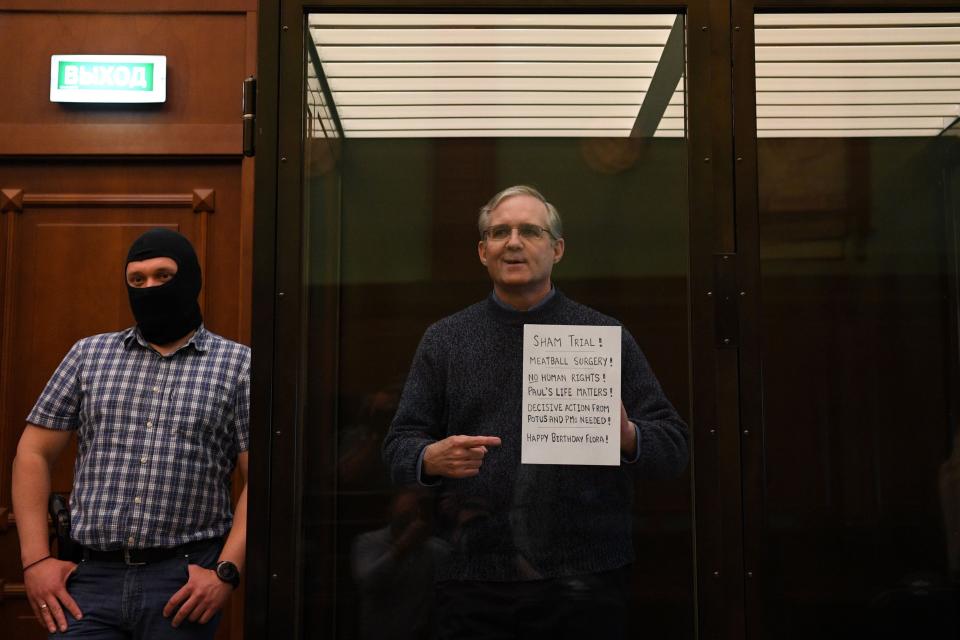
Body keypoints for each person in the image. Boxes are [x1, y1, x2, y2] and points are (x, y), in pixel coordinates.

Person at [382, 185, 689, 639]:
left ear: (557, 248)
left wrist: (627, 436)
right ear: (482, 250)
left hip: (584, 578)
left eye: (530, 231)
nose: (513, 242)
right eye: (499, 232)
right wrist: (430, 459)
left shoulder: (602, 335)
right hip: (472, 576)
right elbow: (397, 447)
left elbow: (674, 447)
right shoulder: (444, 339)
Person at [12, 229, 250, 639]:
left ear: (191, 279)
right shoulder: (89, 355)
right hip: (88, 581)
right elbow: (32, 452)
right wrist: (35, 562)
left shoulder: (240, 365)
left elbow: (262, 479)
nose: (149, 288)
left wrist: (225, 573)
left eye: (163, 276)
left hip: (184, 583)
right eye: (136, 280)